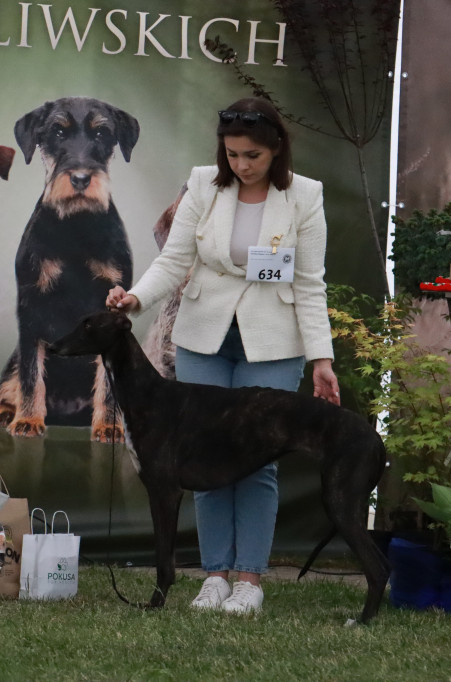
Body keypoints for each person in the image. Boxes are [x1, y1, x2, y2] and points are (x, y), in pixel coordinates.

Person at [105, 97, 340, 615]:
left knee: (257, 463)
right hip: (201, 338)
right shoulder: (202, 185)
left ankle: (250, 581)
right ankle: (214, 577)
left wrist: (321, 359)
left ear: (277, 148)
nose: (241, 164)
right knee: (201, 456)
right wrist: (135, 298)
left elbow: (310, 283)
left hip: (275, 345)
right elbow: (174, 260)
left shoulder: (306, 196)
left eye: (252, 154)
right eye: (232, 154)